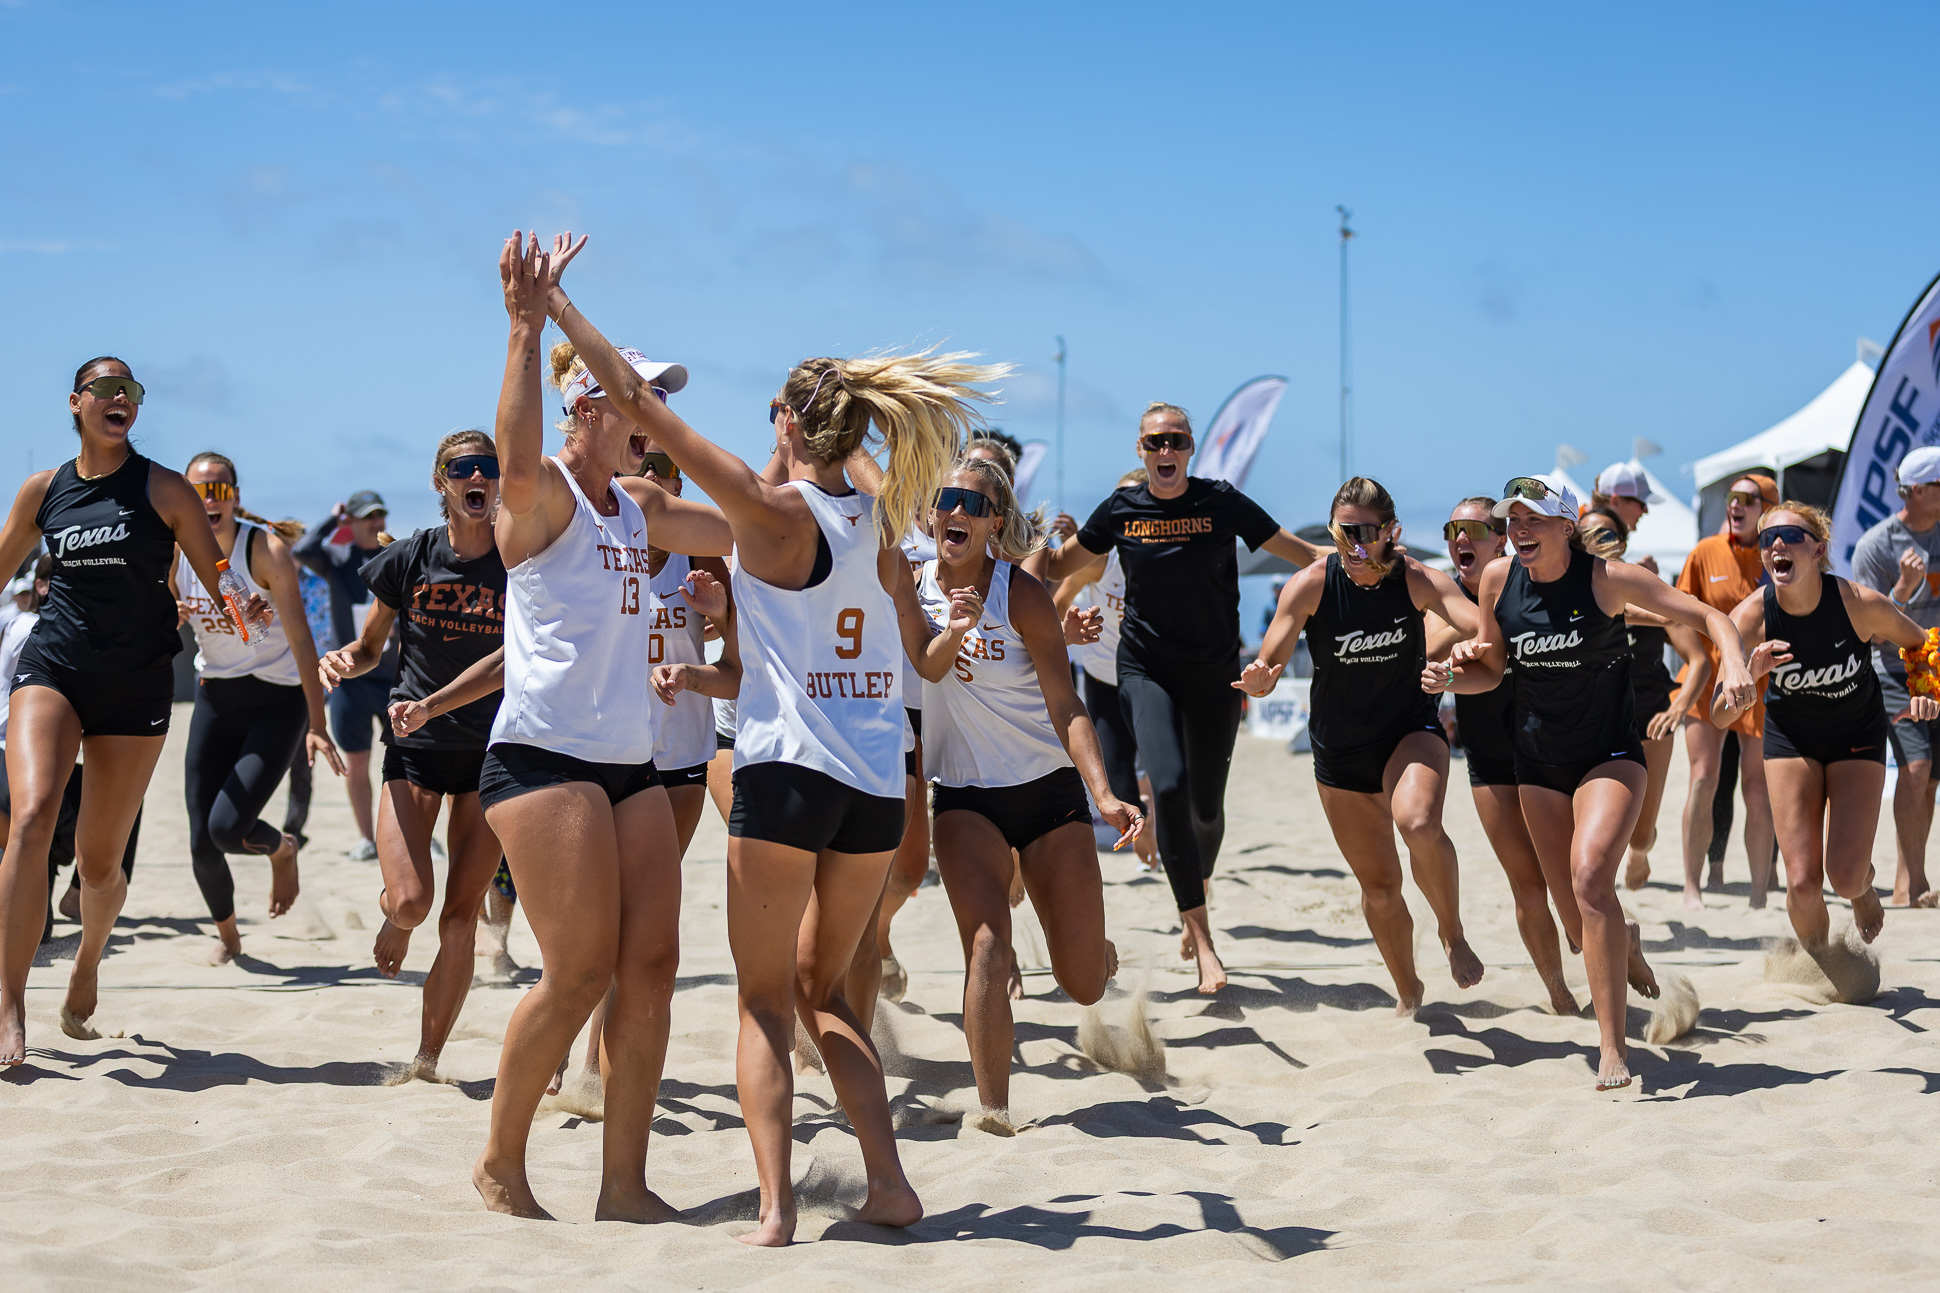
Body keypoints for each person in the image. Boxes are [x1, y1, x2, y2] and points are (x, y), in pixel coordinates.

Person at [545, 232, 997, 1244]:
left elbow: (647, 413)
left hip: (788, 776)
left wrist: (562, 314)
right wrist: (954, 632)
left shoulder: (764, 513)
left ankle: (776, 1208)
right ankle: (888, 1184)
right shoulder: (878, 532)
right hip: (876, 788)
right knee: (822, 990)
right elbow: (925, 661)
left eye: (773, 416)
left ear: (790, 422)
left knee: (759, 1002)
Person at [470, 233, 730, 1223]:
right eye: (638, 399)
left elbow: (749, 522)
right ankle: (501, 1159)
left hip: (632, 766)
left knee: (651, 972)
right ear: (590, 405)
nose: (654, 419)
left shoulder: (642, 502)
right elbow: (514, 443)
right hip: (542, 760)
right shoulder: (539, 496)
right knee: (577, 970)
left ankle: (623, 1186)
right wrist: (526, 329)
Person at [1427, 474, 1755, 1090]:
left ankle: (1612, 1047)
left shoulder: (1608, 580)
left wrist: (1734, 662)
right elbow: (1493, 667)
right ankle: (1623, 941)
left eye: (1530, 519)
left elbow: (1712, 618)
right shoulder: (1499, 580)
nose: (1517, 530)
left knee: (1589, 877)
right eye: (1511, 521)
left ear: (1563, 525)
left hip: (1608, 754)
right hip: (1538, 764)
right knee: (1581, 926)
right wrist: (1452, 677)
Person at [0, 357, 265, 1065]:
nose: (121, 399)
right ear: (76, 402)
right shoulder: (43, 490)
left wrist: (241, 596)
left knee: (97, 863)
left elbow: (214, 566)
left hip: (137, 681)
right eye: (107, 389)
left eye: (132, 391)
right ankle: (10, 1001)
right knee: (29, 819)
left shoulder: (163, 486)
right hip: (54, 666)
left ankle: (87, 955)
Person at [1044, 402, 1322, 994]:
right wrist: (1008, 544)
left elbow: (1296, 552)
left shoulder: (1219, 500)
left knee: (1206, 812)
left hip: (1215, 675)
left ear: (1190, 448)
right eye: (1154, 443)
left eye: (1176, 442)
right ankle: (1201, 938)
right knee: (1165, 786)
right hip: (1145, 669)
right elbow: (1058, 565)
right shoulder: (1122, 510)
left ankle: (1194, 881)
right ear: (1140, 451)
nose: (1165, 452)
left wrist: (1362, 558)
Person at [915, 457, 1137, 1128]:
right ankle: (993, 1109)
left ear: (994, 524)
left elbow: (1068, 705)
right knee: (986, 944)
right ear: (929, 514)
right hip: (963, 796)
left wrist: (1104, 792)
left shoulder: (1022, 595)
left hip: (1048, 795)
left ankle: (1093, 952)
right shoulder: (909, 588)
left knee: (1083, 984)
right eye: (945, 497)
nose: (956, 509)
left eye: (973, 503)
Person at [1239, 479, 1484, 1013]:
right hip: (1340, 751)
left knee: (1418, 823)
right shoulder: (1310, 584)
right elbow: (1271, 660)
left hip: (1408, 731)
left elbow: (1476, 621)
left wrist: (1476, 642)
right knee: (1380, 888)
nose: (1354, 544)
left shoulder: (1415, 579)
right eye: (1344, 532)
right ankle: (1408, 989)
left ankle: (1452, 931)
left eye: (1366, 532)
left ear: (1390, 532)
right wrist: (1261, 677)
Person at [320, 430, 510, 1079]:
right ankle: (395, 923)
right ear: (442, 482)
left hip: (492, 751)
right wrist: (349, 657)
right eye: (463, 468)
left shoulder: (520, 559)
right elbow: (373, 645)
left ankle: (427, 1057)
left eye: (488, 466)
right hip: (416, 743)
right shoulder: (410, 558)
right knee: (410, 901)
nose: (477, 476)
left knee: (460, 917)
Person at [1715, 503, 1931, 952]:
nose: (1778, 544)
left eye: (1792, 536)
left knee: (1846, 875)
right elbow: (1719, 714)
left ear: (1818, 551)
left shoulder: (1858, 603)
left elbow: (1920, 643)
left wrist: (1924, 692)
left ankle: (1863, 888)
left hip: (1857, 733)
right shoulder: (1750, 619)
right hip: (1791, 738)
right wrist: (1749, 677)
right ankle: (1823, 964)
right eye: (1769, 537)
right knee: (1802, 884)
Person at [172, 452, 343, 965]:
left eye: (221, 490)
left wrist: (317, 723)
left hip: (278, 699)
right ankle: (229, 939)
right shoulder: (173, 553)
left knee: (227, 829)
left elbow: (302, 640)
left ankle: (281, 848)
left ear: (236, 497)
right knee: (202, 842)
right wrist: (168, 615)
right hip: (217, 696)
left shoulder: (264, 550)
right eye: (200, 492)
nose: (211, 500)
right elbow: (151, 624)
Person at [1426, 498, 1576, 1014]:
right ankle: (1559, 994)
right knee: (1528, 886)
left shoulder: (1527, 587)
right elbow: (1425, 647)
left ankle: (1620, 945)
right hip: (1489, 761)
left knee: (1578, 885)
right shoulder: (1438, 599)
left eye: (1474, 529)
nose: (1460, 538)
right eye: (1453, 529)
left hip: (1550, 754)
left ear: (1502, 540)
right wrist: (1470, 633)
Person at [1574, 507, 1698, 893]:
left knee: (1641, 836)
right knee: (1588, 836)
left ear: (1622, 543)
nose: (1598, 542)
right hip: (1592, 719)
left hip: (1650, 713)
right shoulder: (1568, 593)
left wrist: (1680, 707)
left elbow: (1699, 660)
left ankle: (1640, 855)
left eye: (1607, 536)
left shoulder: (1644, 590)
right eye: (1588, 535)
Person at [1673, 473, 1778, 909]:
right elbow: (1677, 615)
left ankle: (1758, 896)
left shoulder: (1780, 554)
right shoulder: (1705, 551)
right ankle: (1692, 887)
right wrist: (1697, 662)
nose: (1735, 505)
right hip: (1709, 681)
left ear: (1767, 509)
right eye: (1732, 498)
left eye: (1748, 499)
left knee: (1757, 788)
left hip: (1762, 681)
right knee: (1703, 776)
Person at [1850, 445, 1940, 906]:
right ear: (1919, 491)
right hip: (1893, 673)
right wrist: (1901, 591)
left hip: (1938, 672)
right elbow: (1871, 635)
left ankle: (1909, 884)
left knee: (1931, 780)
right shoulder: (1876, 546)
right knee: (1916, 768)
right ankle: (1916, 884)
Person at [1057, 468, 1158, 870]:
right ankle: (1143, 820)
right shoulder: (1099, 560)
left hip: (1152, 680)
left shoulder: (1168, 558)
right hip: (1103, 679)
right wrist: (1063, 632)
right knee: (1116, 779)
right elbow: (1056, 601)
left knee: (1165, 771)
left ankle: (1151, 815)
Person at [294, 488, 395, 860]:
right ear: (350, 522)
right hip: (350, 682)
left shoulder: (394, 557)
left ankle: (409, 835)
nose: (376, 523)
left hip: (393, 679)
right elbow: (302, 551)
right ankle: (367, 838)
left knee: (405, 764)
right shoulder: (339, 562)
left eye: (379, 515)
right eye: (367, 516)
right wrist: (331, 521)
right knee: (357, 763)